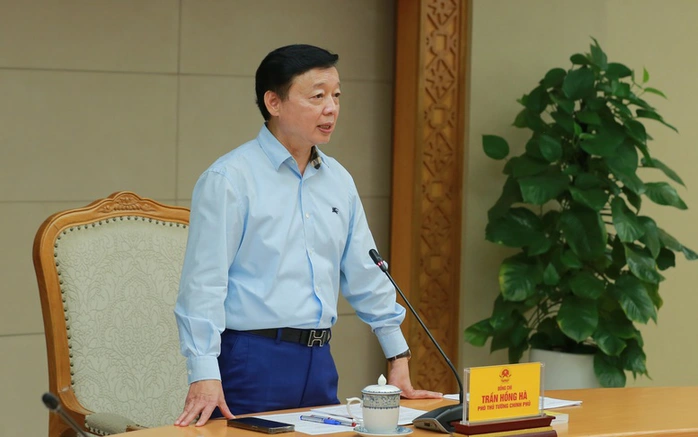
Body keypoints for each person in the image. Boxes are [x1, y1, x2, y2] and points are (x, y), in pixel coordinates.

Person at [173, 44, 442, 428]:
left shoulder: (338, 181)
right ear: (274, 102)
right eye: (317, 96)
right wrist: (203, 372)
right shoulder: (230, 179)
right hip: (251, 359)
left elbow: (367, 274)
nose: (331, 108)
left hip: (319, 360)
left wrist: (397, 356)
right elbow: (203, 284)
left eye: (336, 96)